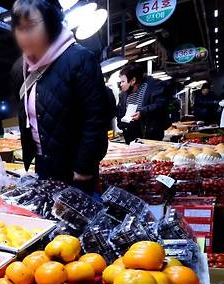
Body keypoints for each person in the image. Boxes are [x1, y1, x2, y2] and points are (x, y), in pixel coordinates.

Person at [12, 0, 111, 193]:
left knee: (78, 220)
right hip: (43, 165)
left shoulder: (80, 59)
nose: (25, 34)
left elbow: (96, 120)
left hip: (76, 169)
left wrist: (84, 168)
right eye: (20, 28)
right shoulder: (21, 68)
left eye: (31, 26)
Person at [117, 64, 169, 143]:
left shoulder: (154, 86)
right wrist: (122, 125)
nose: (121, 84)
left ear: (133, 80)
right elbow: (120, 111)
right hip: (131, 138)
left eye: (123, 81)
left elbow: (160, 104)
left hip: (151, 136)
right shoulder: (123, 94)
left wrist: (142, 112)